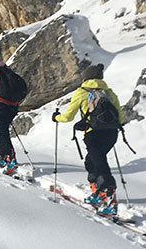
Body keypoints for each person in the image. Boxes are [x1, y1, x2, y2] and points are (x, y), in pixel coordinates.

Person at [52, 63, 125, 216]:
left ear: (86, 78)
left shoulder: (82, 92)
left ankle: (109, 194)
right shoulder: (109, 92)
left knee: (98, 162)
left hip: (94, 133)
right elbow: (121, 117)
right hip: (111, 134)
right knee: (92, 161)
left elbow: (68, 116)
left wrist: (57, 117)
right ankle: (99, 192)